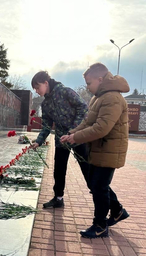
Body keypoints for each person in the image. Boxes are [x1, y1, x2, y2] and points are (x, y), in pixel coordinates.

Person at [60, 63, 130, 238]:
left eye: (89, 83)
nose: (87, 87)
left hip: (109, 150)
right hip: (99, 149)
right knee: (97, 184)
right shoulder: (98, 98)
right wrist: (72, 133)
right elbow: (88, 122)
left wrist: (76, 138)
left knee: (98, 187)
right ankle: (117, 211)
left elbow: (101, 128)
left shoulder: (112, 98)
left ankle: (100, 225)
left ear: (100, 79)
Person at [30, 71, 89, 208]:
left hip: (77, 137)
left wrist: (73, 131)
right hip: (62, 140)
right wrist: (38, 141)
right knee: (59, 170)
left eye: (38, 87)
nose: (37, 91)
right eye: (35, 89)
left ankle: (108, 202)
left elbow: (83, 108)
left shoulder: (65, 92)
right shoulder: (46, 104)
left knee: (88, 169)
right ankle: (58, 198)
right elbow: (46, 126)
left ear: (46, 83)